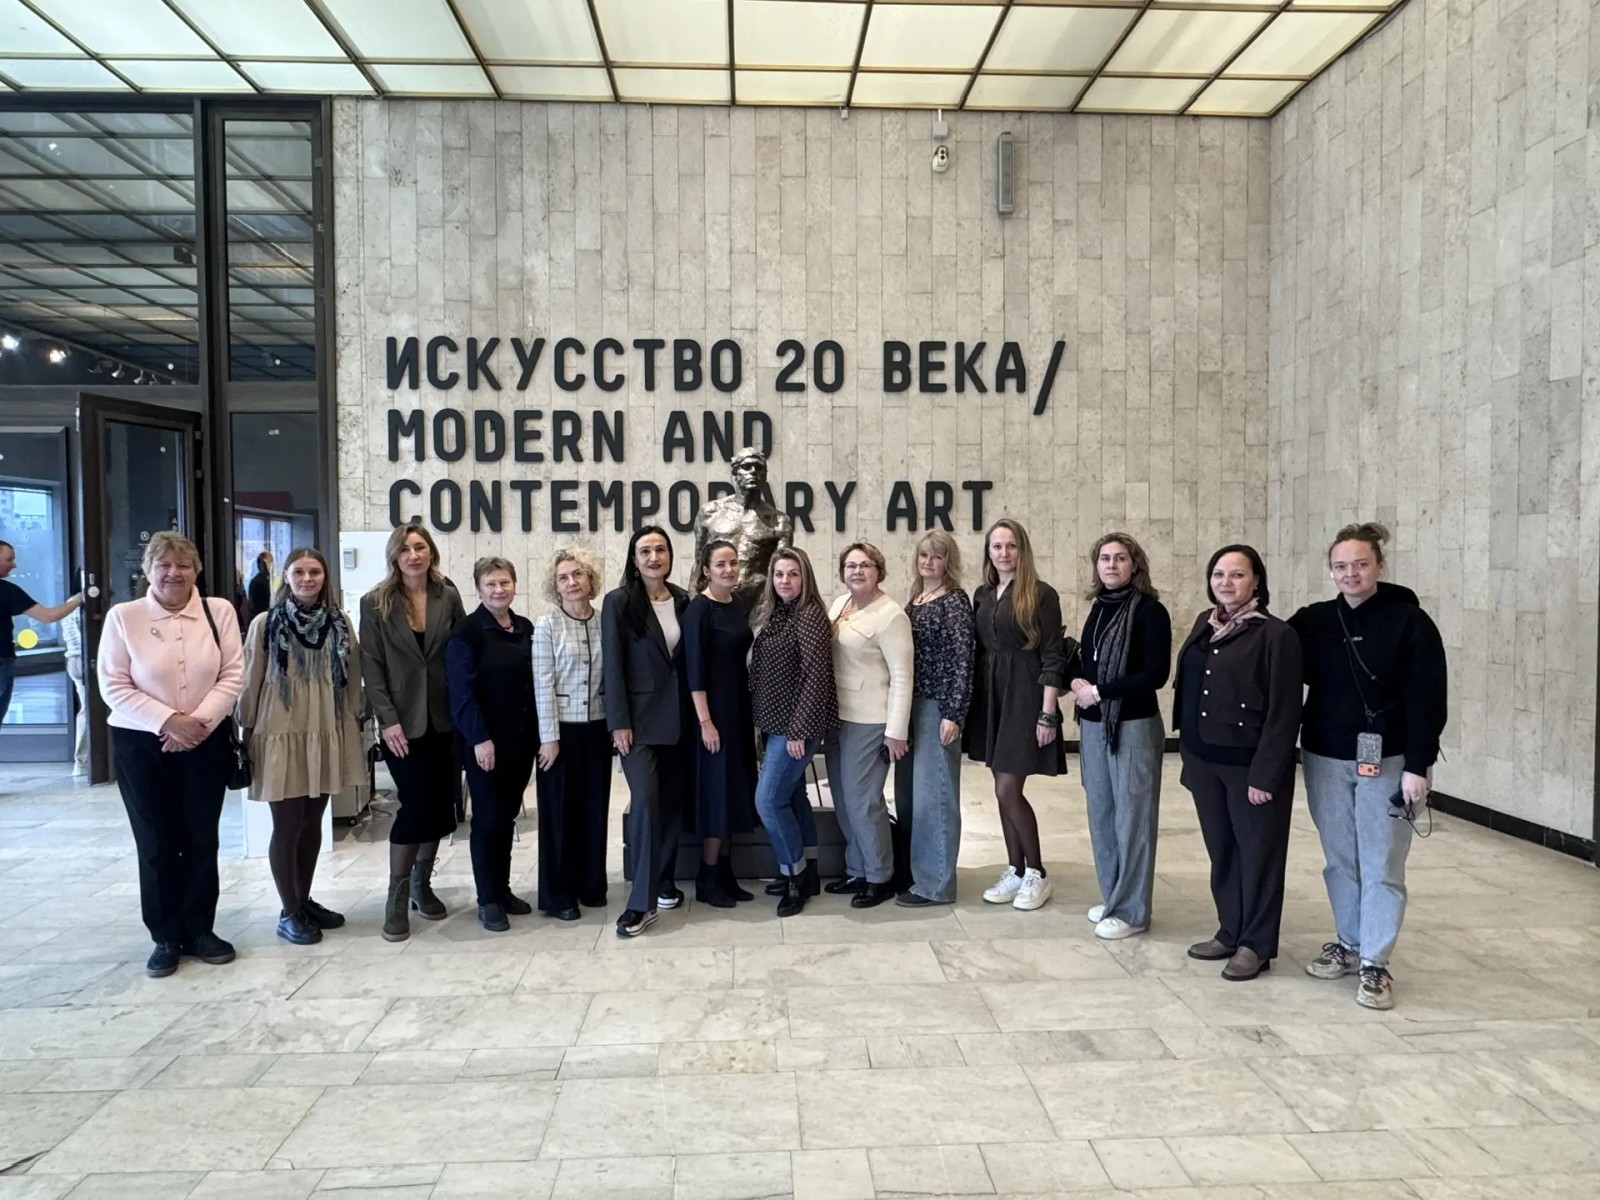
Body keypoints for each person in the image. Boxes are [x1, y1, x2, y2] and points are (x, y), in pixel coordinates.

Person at [1289, 523, 1448, 1011]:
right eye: (1341, 566)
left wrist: (1418, 765)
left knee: (1381, 862)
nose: (1350, 573)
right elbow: (1270, 650)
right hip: (1323, 755)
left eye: (1360, 564)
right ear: (1330, 571)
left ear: (1380, 565)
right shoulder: (1314, 620)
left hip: (1391, 758)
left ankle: (1375, 963)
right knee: (1340, 858)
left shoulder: (1410, 622)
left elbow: (1428, 697)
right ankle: (1349, 941)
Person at [96, 531, 243, 978]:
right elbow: (113, 685)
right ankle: (165, 936)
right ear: (148, 570)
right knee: (156, 841)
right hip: (142, 743)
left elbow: (233, 674)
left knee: (201, 837)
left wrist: (195, 724)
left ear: (197, 570)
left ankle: (200, 929)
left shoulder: (219, 612)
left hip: (205, 738)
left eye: (183, 565)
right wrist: (167, 721)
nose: (173, 573)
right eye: (163, 565)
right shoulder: (124, 617)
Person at [1173, 544, 1303, 982]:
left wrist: (1266, 775)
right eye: (1218, 574)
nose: (1225, 583)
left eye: (1237, 575)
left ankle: (1256, 945)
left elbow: (1284, 712)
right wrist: (1189, 755)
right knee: (1223, 851)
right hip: (1205, 761)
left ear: (1256, 581)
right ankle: (1230, 930)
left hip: (1251, 769)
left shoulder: (1276, 635)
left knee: (1259, 856)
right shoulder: (1205, 623)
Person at [236, 547, 367, 946]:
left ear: (324, 577)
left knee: (313, 822)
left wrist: (353, 722)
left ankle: (303, 900)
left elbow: (353, 676)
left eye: (315, 572)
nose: (307, 579)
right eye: (299, 572)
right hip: (280, 730)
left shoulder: (340, 622)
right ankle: (288, 911)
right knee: (288, 824)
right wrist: (245, 728)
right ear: (287, 577)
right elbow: (250, 678)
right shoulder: (265, 623)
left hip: (325, 728)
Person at [359, 523, 466, 943]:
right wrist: (387, 720)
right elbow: (371, 666)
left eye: (420, 547)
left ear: (431, 552)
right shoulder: (375, 602)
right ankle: (397, 895)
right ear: (394, 556)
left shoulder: (447, 595)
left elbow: (460, 652)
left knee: (439, 807)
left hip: (444, 718)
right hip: (401, 721)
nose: (413, 555)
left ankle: (423, 883)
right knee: (415, 807)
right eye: (405, 549)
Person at [1067, 532, 1172, 940]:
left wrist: (1099, 692)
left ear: (1135, 564)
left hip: (1133, 726)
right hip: (1095, 726)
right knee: (1103, 815)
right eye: (1104, 558)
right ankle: (1114, 897)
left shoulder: (1150, 611)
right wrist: (1078, 681)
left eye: (1120, 558)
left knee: (1133, 821)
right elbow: (1090, 661)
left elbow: (1155, 674)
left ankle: (1132, 911)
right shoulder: (1100, 606)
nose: (1111, 565)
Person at [967, 518, 1067, 912]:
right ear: (988, 552)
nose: (1004, 553)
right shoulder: (982, 594)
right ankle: (1016, 868)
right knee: (1000, 788)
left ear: (1022, 550)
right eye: (997, 546)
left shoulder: (1041, 594)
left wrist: (1048, 713)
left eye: (1011, 546)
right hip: (992, 697)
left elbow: (1053, 654)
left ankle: (1037, 873)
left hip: (1025, 696)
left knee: (1008, 789)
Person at [603, 525, 694, 939]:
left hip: (679, 721)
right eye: (645, 551)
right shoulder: (619, 602)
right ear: (634, 560)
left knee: (672, 805)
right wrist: (618, 721)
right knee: (645, 802)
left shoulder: (684, 600)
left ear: (670, 556)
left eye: (661, 549)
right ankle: (640, 904)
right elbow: (614, 665)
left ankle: (663, 881)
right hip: (637, 725)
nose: (654, 557)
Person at [446, 557, 537, 933]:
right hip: (485, 744)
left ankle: (503, 889)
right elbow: (461, 695)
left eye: (504, 583)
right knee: (487, 820)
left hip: (521, 742)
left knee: (507, 817)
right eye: (491, 584)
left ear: (514, 585)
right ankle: (487, 900)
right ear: (478, 589)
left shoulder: (525, 627)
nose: (499, 590)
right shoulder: (467, 633)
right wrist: (480, 739)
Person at [824, 542, 914, 909]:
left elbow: (903, 676)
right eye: (851, 565)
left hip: (871, 720)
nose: (857, 571)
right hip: (837, 717)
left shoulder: (890, 616)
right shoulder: (838, 605)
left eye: (865, 565)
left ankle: (880, 876)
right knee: (844, 800)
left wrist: (896, 731)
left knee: (864, 801)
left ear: (879, 571)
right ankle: (857, 869)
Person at [749, 547, 838, 916]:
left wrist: (799, 730)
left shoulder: (810, 614)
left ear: (806, 578)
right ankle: (809, 871)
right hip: (775, 724)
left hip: (795, 727)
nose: (785, 581)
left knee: (768, 801)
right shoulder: (778, 612)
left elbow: (817, 676)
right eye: (779, 574)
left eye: (793, 574)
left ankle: (795, 876)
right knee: (794, 797)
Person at [894, 530, 975, 906]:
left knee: (936, 797)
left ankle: (936, 884)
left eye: (937, 556)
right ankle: (915, 872)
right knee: (909, 797)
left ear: (948, 562)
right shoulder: (915, 598)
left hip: (937, 707)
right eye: (924, 555)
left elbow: (963, 659)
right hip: (909, 706)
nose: (929, 562)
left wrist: (953, 713)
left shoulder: (954, 600)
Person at [532, 547, 610, 920]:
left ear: (590, 579)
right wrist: (549, 738)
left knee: (594, 810)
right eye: (563, 577)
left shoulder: (606, 621)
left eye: (578, 574)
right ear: (555, 585)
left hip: (597, 729)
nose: (571, 582)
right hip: (560, 733)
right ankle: (559, 895)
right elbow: (542, 684)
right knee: (560, 815)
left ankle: (591, 885)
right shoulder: (547, 625)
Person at [685, 539, 758, 907]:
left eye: (733, 563)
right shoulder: (700, 608)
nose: (729, 570)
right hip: (712, 716)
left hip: (737, 712)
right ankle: (707, 876)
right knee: (716, 796)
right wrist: (705, 722)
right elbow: (694, 669)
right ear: (706, 570)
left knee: (732, 794)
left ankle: (725, 873)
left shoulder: (737, 603)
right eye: (720, 564)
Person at [692, 448, 796, 613]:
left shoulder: (779, 522)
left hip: (758, 603)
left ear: (765, 476)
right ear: (735, 474)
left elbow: (782, 572)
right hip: (715, 601)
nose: (753, 472)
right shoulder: (709, 513)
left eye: (758, 468)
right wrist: (693, 603)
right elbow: (699, 564)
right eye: (746, 467)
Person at [0, 539, 84, 725]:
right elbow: (48, 616)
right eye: (9, 559)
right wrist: (79, 599)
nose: (14, 565)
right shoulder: (7, 591)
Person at [62, 570, 88, 775]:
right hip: (84, 659)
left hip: (74, 659)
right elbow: (87, 636)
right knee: (90, 710)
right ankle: (83, 761)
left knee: (86, 709)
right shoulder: (81, 603)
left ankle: (82, 762)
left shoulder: (69, 603)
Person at [247, 551, 273, 621]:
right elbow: (252, 606)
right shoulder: (256, 582)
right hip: (259, 617)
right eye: (265, 564)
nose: (268, 567)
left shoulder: (269, 580)